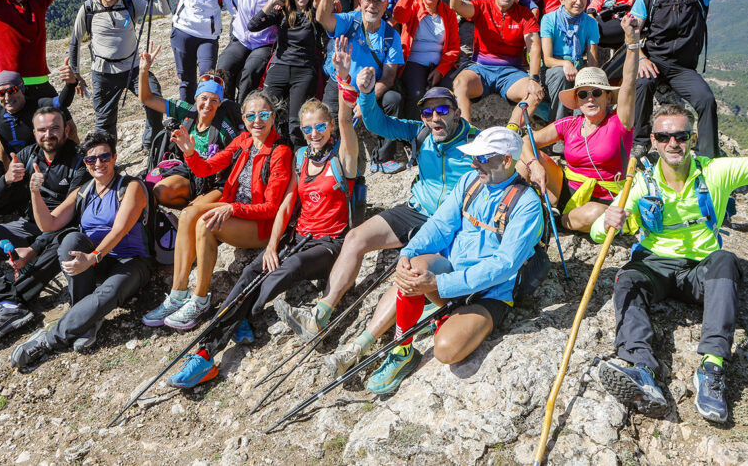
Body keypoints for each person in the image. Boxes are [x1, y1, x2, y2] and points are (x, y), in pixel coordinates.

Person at [597, 96, 748, 423]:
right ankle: (642, 370)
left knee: (725, 260)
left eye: (680, 136)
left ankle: (711, 369)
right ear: (654, 141)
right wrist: (606, 221)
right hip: (655, 265)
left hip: (701, 268)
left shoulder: (717, 171)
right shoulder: (641, 182)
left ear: (693, 138)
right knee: (627, 278)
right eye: (664, 137)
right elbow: (598, 232)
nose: (672, 143)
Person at [166, 52, 360, 388]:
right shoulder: (301, 156)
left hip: (329, 243)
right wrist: (272, 245)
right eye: (308, 127)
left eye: (321, 127)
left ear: (330, 128)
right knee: (253, 273)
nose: (314, 133)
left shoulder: (342, 159)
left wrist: (343, 83)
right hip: (296, 236)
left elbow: (346, 123)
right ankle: (204, 355)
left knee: (271, 278)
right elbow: (285, 205)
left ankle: (226, 329)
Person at [276, 76, 479, 367]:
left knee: (407, 274)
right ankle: (319, 316)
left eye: (443, 111)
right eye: (427, 112)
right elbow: (377, 124)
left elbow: (508, 159)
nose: (435, 118)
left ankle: (358, 347)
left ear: (457, 112)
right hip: (416, 209)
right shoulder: (419, 132)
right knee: (355, 238)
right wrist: (367, 93)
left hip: (448, 225)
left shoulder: (476, 142)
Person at [361, 126, 543, 394]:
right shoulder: (470, 180)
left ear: (506, 160)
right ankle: (402, 350)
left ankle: (443, 316)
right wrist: (409, 252)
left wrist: (440, 283)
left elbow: (503, 266)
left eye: (482, 158)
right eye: (474, 157)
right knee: (413, 268)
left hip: (489, 294)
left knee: (446, 351)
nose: (473, 163)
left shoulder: (527, 204)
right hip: (449, 276)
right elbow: (440, 225)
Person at [141, 90, 292, 331]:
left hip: (261, 223)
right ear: (243, 119)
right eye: (251, 115)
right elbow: (207, 168)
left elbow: (271, 208)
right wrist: (190, 152)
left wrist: (231, 208)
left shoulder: (280, 152)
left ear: (273, 117)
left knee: (205, 223)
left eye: (264, 114)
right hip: (237, 208)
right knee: (190, 213)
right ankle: (178, 294)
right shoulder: (244, 141)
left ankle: (200, 299)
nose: (257, 121)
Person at [9, 130, 153, 367]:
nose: (99, 163)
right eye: (91, 159)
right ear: (85, 164)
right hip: (96, 259)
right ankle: (86, 320)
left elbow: (119, 230)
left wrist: (93, 258)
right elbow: (49, 224)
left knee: (107, 293)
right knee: (70, 240)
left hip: (132, 262)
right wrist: (34, 192)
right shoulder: (83, 191)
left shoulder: (131, 187)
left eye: (105, 157)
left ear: (115, 158)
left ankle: (49, 339)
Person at [0, 106, 90, 347]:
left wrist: (35, 248)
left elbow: (70, 216)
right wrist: (7, 180)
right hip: (26, 224)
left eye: (55, 128)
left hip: (60, 227)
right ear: (34, 131)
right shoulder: (29, 155)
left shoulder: (79, 161)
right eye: (42, 130)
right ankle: (4, 303)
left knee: (62, 247)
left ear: (66, 129)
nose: (48, 135)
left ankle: (8, 302)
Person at [632, 0, 746, 158]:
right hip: (654, 61)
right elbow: (632, 30)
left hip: (683, 69)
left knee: (706, 100)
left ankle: (707, 156)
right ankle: (640, 140)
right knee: (642, 83)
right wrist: (641, 57)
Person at [520, 15, 640, 234]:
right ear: (577, 100)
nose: (590, 99)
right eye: (583, 94)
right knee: (526, 159)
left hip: (602, 200)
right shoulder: (570, 124)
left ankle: (554, 222)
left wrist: (632, 44)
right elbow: (526, 140)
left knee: (594, 212)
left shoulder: (619, 122)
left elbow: (629, 83)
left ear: (607, 97)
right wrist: (533, 164)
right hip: (566, 188)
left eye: (596, 93)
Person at [64, 0, 163, 146]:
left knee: (155, 103)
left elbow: (163, 10)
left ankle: (152, 145)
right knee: (104, 123)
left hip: (133, 68)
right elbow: (75, 42)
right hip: (104, 73)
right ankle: (106, 159)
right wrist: (76, 75)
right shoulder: (88, 9)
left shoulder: (130, 3)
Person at [316, 0, 405, 173]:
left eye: (377, 2)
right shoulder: (351, 21)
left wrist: (365, 100)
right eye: (368, 0)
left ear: (385, 6)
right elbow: (323, 18)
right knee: (327, 118)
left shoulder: (391, 36)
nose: (371, 6)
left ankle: (383, 158)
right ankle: (327, 161)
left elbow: (389, 77)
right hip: (340, 81)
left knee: (393, 100)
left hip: (369, 88)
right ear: (361, 1)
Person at [138, 51, 243, 206]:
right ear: (196, 98)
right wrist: (143, 71)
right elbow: (147, 99)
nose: (208, 104)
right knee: (159, 191)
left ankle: (197, 206)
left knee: (195, 213)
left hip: (214, 180)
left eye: (214, 100)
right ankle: (189, 206)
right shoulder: (186, 111)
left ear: (220, 103)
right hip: (189, 172)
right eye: (204, 98)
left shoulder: (224, 129)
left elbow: (238, 158)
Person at [449, 0, 543, 124]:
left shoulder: (525, 15)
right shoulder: (482, 6)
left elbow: (534, 47)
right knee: (459, 83)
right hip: (481, 69)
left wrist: (534, 79)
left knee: (535, 94)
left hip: (511, 72)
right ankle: (466, 133)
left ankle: (510, 135)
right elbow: (456, 6)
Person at [247, 0, 327, 146]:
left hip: (304, 71)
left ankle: (298, 162)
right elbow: (252, 25)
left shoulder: (316, 10)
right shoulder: (282, 12)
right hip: (279, 67)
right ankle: (268, 155)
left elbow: (326, 21)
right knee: (266, 114)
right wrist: (271, 2)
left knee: (295, 123)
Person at [0, 69, 78, 166]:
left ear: (22, 88)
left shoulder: (38, 106)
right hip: (17, 169)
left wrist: (70, 84)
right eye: (1, 93)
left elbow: (61, 103)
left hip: (47, 165)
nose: (7, 97)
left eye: (12, 90)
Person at [392, 0, 460, 118]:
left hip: (439, 64)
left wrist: (441, 69)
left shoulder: (448, 13)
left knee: (447, 95)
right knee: (417, 95)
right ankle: (413, 136)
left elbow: (454, 48)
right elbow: (399, 15)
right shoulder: (414, 5)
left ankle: (445, 133)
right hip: (413, 61)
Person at [540, 0, 601, 120]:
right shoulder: (549, 20)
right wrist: (565, 64)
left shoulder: (590, 23)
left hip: (578, 65)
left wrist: (589, 77)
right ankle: (557, 124)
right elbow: (547, 59)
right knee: (561, 75)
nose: (579, 3)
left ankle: (582, 126)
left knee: (586, 81)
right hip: (553, 70)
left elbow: (592, 60)